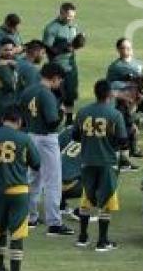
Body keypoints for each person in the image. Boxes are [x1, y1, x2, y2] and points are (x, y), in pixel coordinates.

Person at [0, 108, 41, 271]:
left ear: (2, 120)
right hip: (17, 191)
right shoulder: (23, 138)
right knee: (17, 233)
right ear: (19, 122)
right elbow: (36, 163)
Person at [73, 80, 129, 251]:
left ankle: (82, 237)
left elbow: (75, 136)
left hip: (87, 161)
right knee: (106, 200)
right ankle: (102, 241)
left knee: (86, 198)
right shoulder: (115, 114)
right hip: (107, 162)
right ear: (109, 94)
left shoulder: (83, 112)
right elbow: (122, 140)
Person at [19, 62, 73, 235]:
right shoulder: (47, 94)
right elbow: (52, 122)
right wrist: (63, 113)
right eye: (60, 80)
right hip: (47, 140)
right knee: (52, 181)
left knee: (33, 178)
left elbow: (21, 115)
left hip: (30, 136)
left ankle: (30, 217)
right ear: (55, 78)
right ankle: (54, 223)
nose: (60, 83)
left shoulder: (28, 91)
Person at [106, 37, 143, 138]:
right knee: (129, 107)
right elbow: (111, 86)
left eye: (129, 47)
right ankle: (133, 120)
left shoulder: (139, 63)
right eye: (124, 48)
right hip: (127, 97)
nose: (128, 50)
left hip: (140, 93)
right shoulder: (115, 67)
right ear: (119, 50)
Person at [42, 2, 84, 126]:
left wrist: (79, 44)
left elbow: (73, 45)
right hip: (57, 67)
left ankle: (70, 119)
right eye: (68, 16)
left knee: (71, 93)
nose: (70, 19)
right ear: (61, 13)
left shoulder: (73, 27)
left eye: (72, 16)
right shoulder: (51, 28)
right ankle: (54, 119)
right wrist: (66, 48)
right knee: (57, 95)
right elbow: (48, 50)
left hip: (71, 66)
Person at [58, 125, 84, 221]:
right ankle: (81, 212)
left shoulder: (71, 142)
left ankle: (61, 204)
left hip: (49, 185)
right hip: (66, 185)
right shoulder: (92, 145)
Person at [0, 41, 19, 128]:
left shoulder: (7, 64)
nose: (9, 52)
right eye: (6, 50)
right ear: (0, 50)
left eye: (11, 50)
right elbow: (13, 87)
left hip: (4, 108)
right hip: (6, 110)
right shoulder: (3, 68)